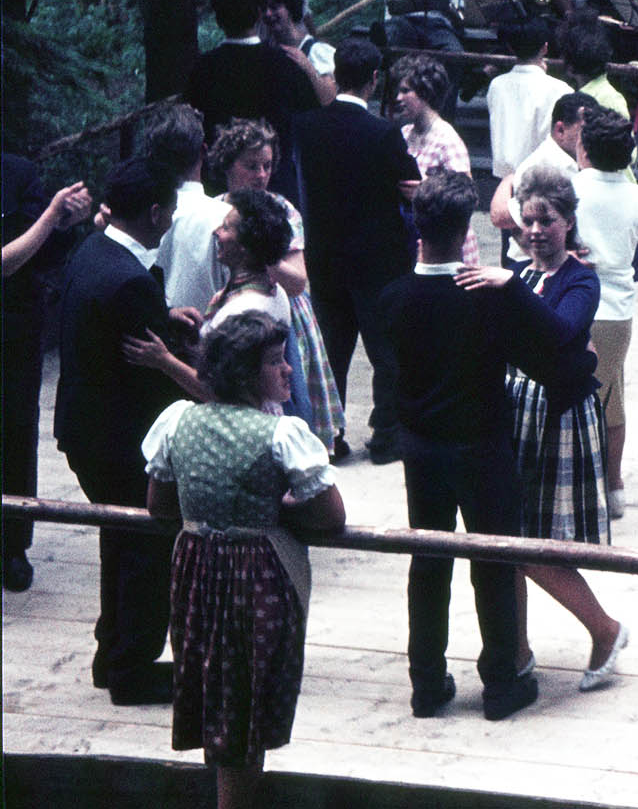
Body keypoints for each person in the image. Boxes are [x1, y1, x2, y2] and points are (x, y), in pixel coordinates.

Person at [378, 170, 574, 722]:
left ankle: (425, 683)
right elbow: (554, 349)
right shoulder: (486, 299)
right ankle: (500, 685)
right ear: (467, 229)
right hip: (483, 445)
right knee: (494, 561)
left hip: (421, 448)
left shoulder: (393, 298)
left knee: (428, 561)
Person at [142, 312, 345, 809]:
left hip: (195, 571)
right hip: (258, 575)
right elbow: (331, 515)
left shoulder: (179, 420)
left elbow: (160, 505)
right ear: (245, 373)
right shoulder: (281, 435)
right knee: (250, 693)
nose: (288, 371)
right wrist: (281, 506)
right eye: (275, 362)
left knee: (219, 688)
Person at [455, 167, 630, 690]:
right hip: (515, 413)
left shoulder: (579, 277)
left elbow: (561, 331)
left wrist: (508, 287)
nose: (534, 231)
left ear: (569, 221)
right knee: (505, 539)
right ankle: (518, 647)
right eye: (526, 220)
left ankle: (605, 628)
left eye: (546, 220)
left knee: (534, 545)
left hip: (557, 419)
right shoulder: (522, 276)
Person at [54, 157, 189, 704]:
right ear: (155, 214)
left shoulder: (93, 251)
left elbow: (122, 329)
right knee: (147, 551)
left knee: (121, 539)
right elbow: (143, 367)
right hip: (117, 439)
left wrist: (163, 318)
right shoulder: (129, 279)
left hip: (83, 429)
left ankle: (113, 649)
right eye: (172, 210)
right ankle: (132, 665)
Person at [293, 38, 421, 464]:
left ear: (334, 76)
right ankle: (386, 436)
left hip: (325, 255)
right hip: (378, 259)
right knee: (386, 351)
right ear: (373, 80)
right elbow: (410, 184)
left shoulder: (306, 126)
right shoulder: (383, 133)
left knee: (331, 351)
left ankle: (329, 437)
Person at [207, 119, 346, 455]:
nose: (261, 174)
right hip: (230, 315)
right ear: (228, 165)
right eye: (251, 166)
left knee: (290, 405)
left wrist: (262, 250)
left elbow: (298, 281)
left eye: (267, 166)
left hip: (279, 317)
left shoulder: (281, 210)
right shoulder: (212, 210)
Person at [570, 109, 638, 517]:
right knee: (612, 394)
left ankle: (578, 481)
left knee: (574, 394)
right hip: (616, 310)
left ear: (585, 148)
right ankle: (613, 485)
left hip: (572, 299)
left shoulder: (569, 187)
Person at [2, 154, 88, 592]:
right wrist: (53, 215)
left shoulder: (18, 173)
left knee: (16, 431)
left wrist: (66, 222)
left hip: (13, 327)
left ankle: (13, 545)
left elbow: (45, 253)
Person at [124, 187, 297, 405]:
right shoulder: (271, 291)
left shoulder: (242, 311)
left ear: (245, 247)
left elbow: (219, 392)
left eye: (226, 227)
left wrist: (164, 360)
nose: (216, 232)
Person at [184, 0, 322, 201]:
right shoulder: (286, 62)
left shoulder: (204, 68)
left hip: (221, 184)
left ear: (219, 21)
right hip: (275, 181)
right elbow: (313, 117)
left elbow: (192, 124)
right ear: (259, 15)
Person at [490, 91, 602, 263]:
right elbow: (519, 226)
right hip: (536, 265)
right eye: (585, 131)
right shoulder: (545, 168)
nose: (592, 138)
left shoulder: (573, 161)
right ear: (560, 130)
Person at [142, 103, 229, 317]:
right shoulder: (227, 219)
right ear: (204, 151)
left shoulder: (135, 219)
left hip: (150, 343)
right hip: (212, 342)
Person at [394, 53, 480, 267]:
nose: (398, 98)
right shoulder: (405, 134)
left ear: (425, 93)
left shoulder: (446, 140)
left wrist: (425, 192)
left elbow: (467, 198)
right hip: (416, 241)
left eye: (406, 91)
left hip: (448, 248)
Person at [487, 17, 573, 196]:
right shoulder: (561, 89)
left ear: (510, 48)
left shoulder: (497, 85)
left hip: (508, 179)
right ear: (545, 48)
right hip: (544, 180)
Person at [258, 0, 336, 106]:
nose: (268, 14)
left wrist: (308, 68)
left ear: (290, 7)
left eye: (274, 7)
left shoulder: (317, 52)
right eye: (264, 9)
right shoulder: (266, 52)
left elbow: (331, 101)